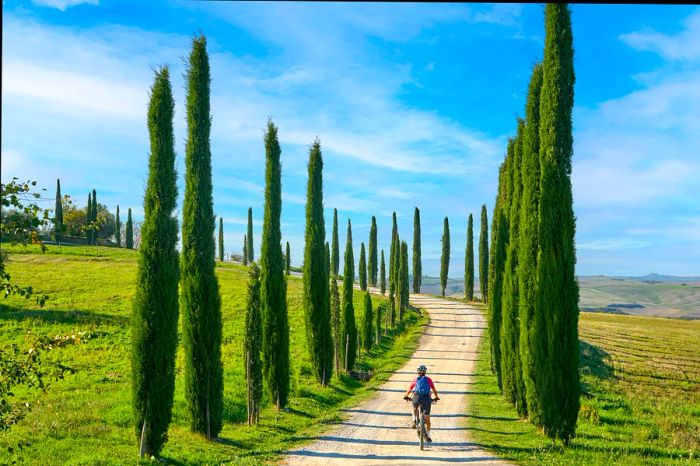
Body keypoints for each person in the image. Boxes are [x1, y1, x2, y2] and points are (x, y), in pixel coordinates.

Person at [403, 364, 439, 442]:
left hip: (417, 397)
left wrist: (406, 396)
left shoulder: (415, 379)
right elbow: (434, 390)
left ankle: (414, 420)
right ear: (425, 372)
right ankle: (428, 436)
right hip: (426, 399)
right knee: (427, 419)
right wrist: (436, 397)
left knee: (414, 407)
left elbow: (410, 389)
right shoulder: (428, 379)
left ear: (418, 372)